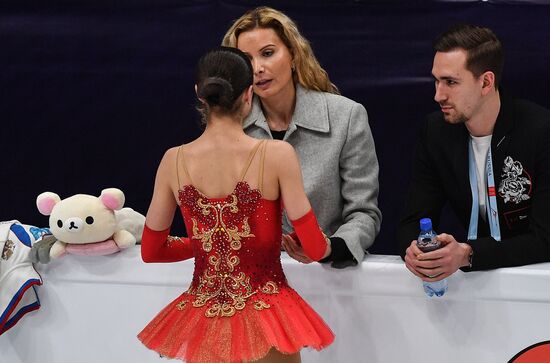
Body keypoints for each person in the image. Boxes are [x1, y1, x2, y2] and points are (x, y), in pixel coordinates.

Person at [137, 47, 334, 363]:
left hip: (205, 317)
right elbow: (312, 247)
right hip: (267, 315)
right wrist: (322, 248)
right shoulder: (277, 155)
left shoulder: (172, 160)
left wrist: (206, 245)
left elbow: (152, 250)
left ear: (199, 93)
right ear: (248, 93)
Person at [222, 6, 381, 268]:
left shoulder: (347, 116)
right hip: (252, 278)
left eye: (268, 53)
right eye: (246, 59)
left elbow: (364, 213)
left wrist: (329, 248)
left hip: (326, 275)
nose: (258, 68)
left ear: (294, 55)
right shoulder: (230, 127)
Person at [398, 24, 550, 282]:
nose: (438, 95)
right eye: (436, 80)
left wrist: (468, 254)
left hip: (539, 279)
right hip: (480, 279)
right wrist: (417, 251)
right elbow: (412, 221)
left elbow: (545, 238)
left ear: (486, 82)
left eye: (450, 82)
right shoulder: (436, 132)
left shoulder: (541, 130)